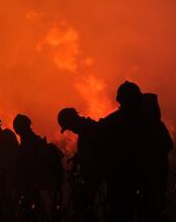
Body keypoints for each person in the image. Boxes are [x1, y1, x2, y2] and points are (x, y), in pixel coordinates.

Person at [100, 81, 173, 222]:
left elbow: (102, 150)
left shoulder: (112, 122)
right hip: (145, 185)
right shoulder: (151, 121)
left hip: (125, 185)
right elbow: (167, 145)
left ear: (119, 100)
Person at [13, 114, 63, 221]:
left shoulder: (29, 143)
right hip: (37, 184)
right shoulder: (34, 141)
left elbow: (26, 167)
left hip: (33, 184)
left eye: (17, 127)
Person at [58, 108, 103, 222]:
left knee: (84, 206)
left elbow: (93, 155)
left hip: (96, 173)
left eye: (69, 127)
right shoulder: (86, 129)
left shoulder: (89, 130)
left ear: (72, 121)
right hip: (93, 173)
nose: (71, 130)